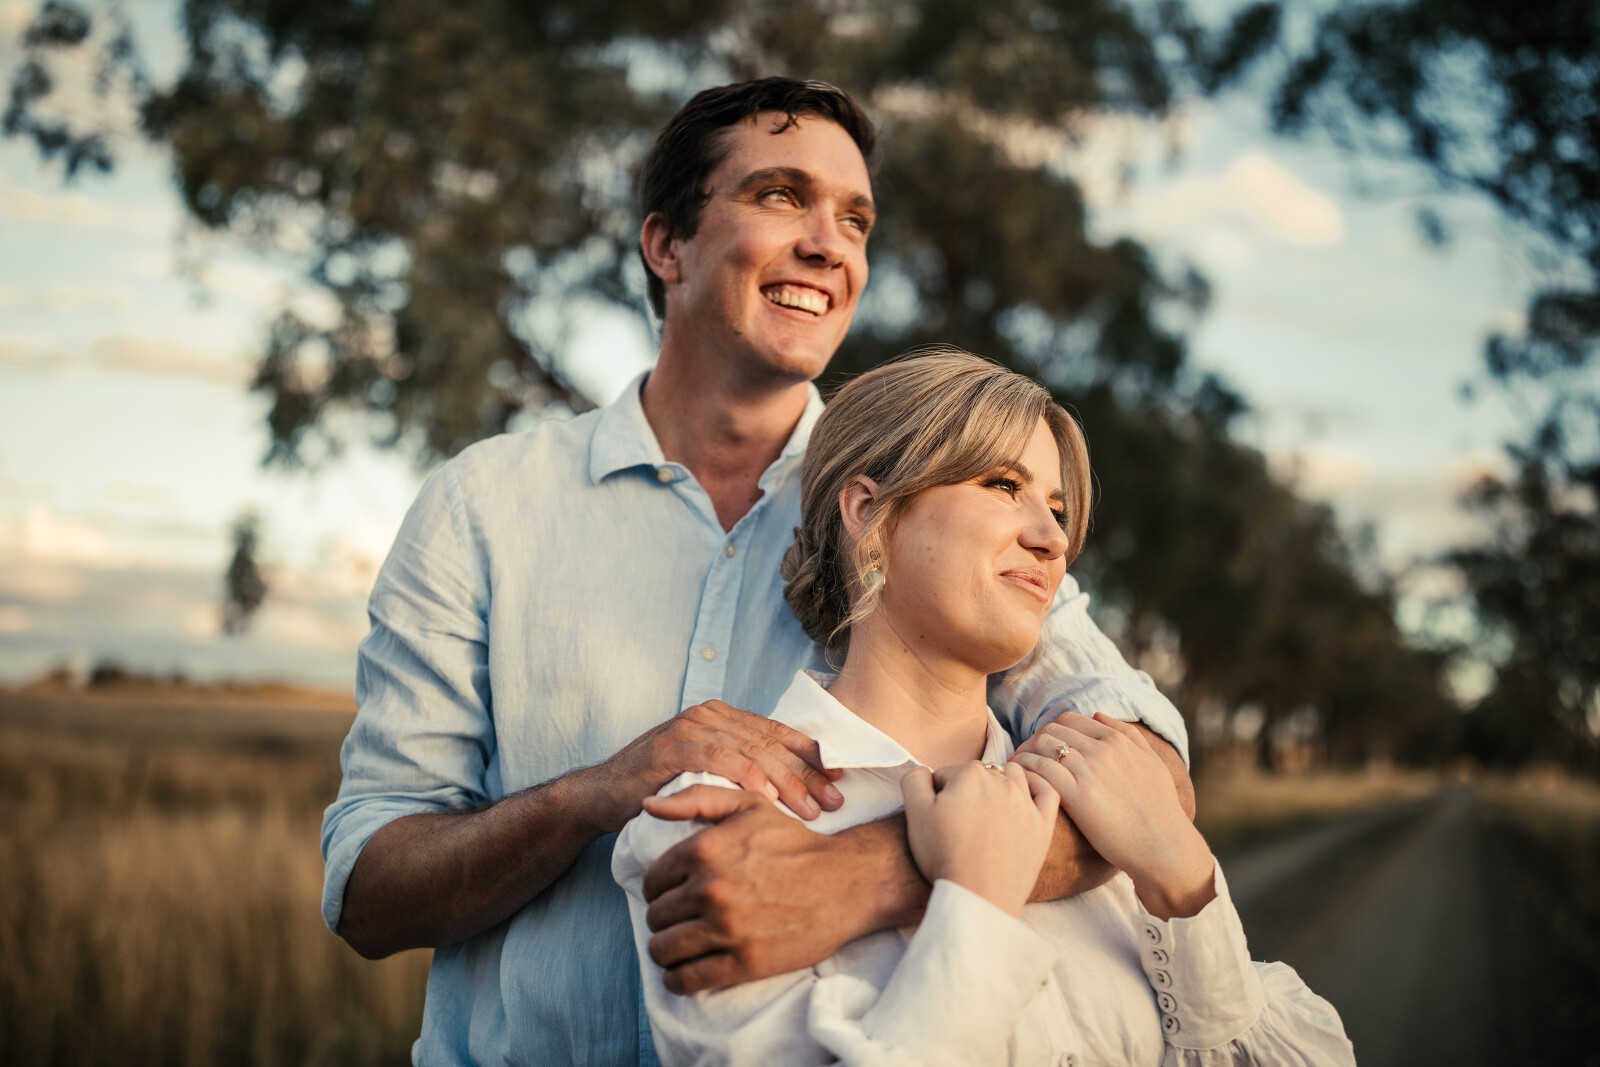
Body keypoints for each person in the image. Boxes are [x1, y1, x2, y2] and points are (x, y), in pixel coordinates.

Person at [321, 78, 1194, 1067]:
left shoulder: (927, 504)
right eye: (781, 196)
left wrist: (856, 875)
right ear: (667, 246)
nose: (830, 244)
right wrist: (598, 790)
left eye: (855, 219)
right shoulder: (480, 506)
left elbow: (1149, 779)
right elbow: (368, 893)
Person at [614, 351, 1355, 1066]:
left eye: (1057, 509)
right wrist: (975, 905)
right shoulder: (711, 824)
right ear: (870, 514)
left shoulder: (1099, 799)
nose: (1053, 539)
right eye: (1003, 485)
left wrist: (1184, 878)